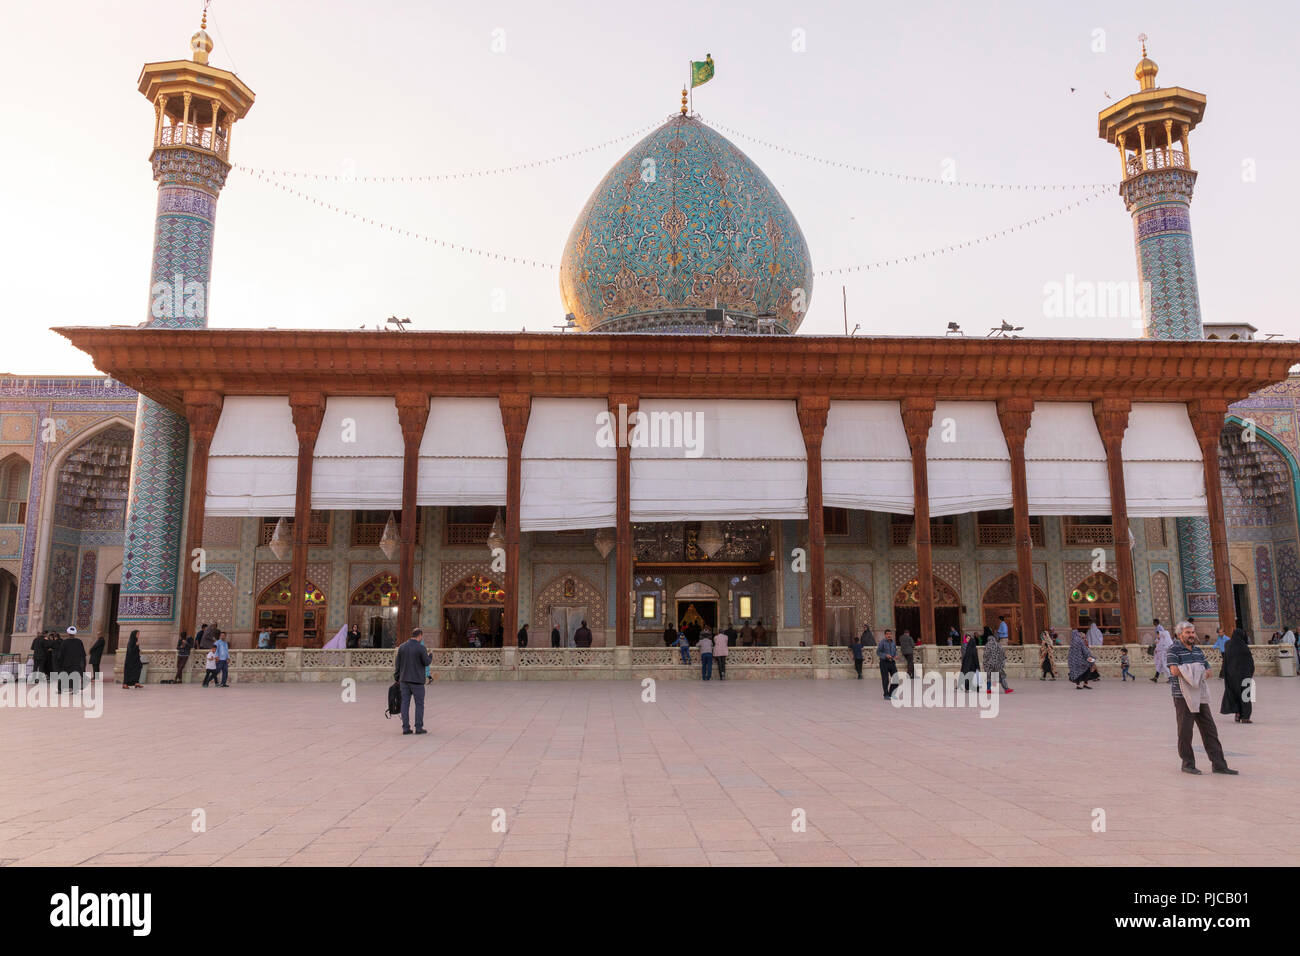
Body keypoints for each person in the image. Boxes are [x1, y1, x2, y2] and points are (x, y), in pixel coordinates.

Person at [1167, 620, 1237, 775]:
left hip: (1199, 695)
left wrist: (1190, 671)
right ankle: (1188, 763)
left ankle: (1219, 764)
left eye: (1193, 632)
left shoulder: (1198, 651)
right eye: (1188, 633)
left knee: (1210, 730)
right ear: (1180, 635)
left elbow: (1208, 671)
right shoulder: (1174, 650)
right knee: (1185, 731)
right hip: (1182, 696)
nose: (1192, 635)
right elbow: (1174, 671)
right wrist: (1197, 671)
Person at [394, 627, 432, 735]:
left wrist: (397, 678)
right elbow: (426, 662)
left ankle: (406, 728)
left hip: (404, 680)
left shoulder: (402, 647)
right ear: (420, 635)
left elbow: (398, 665)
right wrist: (430, 656)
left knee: (405, 704)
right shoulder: (421, 648)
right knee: (419, 704)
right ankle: (418, 727)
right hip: (417, 682)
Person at [1219, 627, 1255, 724]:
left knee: (1235, 694)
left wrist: (1224, 673)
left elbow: (1225, 661)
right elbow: (1250, 662)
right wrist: (1251, 673)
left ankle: (1238, 714)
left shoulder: (1228, 645)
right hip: (1244, 675)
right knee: (1245, 695)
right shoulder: (1243, 646)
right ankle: (1245, 717)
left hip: (1231, 675)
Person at [56, 626, 87, 692]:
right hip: (75, 663)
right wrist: (82, 664)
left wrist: (59, 662)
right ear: (75, 633)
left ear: (68, 633)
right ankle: (73, 688)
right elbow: (82, 654)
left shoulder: (64, 642)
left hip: (66, 663)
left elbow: (61, 654)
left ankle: (60, 689)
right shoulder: (79, 642)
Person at [876, 629, 898, 699]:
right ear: (885, 635)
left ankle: (891, 693)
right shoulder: (882, 642)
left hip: (892, 662)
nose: (889, 635)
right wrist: (885, 655)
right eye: (887, 634)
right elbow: (878, 652)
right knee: (885, 679)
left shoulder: (893, 643)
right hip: (884, 662)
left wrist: (896, 655)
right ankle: (886, 694)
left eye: (890, 634)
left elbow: (895, 651)